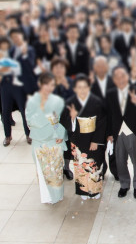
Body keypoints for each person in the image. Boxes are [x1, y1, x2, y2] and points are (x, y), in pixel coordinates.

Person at [106, 66, 136, 199]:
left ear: (127, 77)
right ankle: (124, 185)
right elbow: (108, 115)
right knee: (120, 160)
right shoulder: (110, 93)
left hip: (133, 132)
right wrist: (109, 134)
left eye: (123, 76)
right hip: (117, 133)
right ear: (114, 79)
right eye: (117, 77)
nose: (120, 79)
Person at [61, 75, 108, 200]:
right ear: (75, 89)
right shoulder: (70, 102)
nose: (82, 90)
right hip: (78, 138)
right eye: (79, 87)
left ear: (89, 87)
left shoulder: (97, 101)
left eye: (85, 87)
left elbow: (102, 121)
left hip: (93, 138)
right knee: (80, 166)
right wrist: (71, 118)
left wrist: (96, 140)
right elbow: (63, 120)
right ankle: (83, 191)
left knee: (94, 164)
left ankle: (95, 190)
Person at [26, 73, 67, 204]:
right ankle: (48, 197)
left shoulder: (58, 100)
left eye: (52, 85)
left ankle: (58, 195)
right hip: (40, 140)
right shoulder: (32, 101)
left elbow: (63, 119)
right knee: (44, 170)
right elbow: (30, 120)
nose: (49, 88)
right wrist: (49, 118)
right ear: (40, 85)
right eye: (47, 85)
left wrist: (61, 133)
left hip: (54, 139)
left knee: (56, 171)